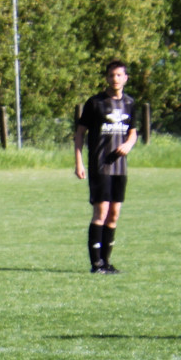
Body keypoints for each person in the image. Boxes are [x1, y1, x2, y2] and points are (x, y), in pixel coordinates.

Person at [74, 60, 138, 274]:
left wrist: (128, 144)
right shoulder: (95, 103)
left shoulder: (130, 103)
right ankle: (96, 264)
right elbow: (80, 133)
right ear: (106, 78)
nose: (115, 79)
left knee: (114, 214)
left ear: (125, 78)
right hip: (100, 166)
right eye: (111, 75)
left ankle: (107, 262)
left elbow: (133, 131)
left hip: (119, 168)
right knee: (101, 212)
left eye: (119, 75)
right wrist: (78, 161)